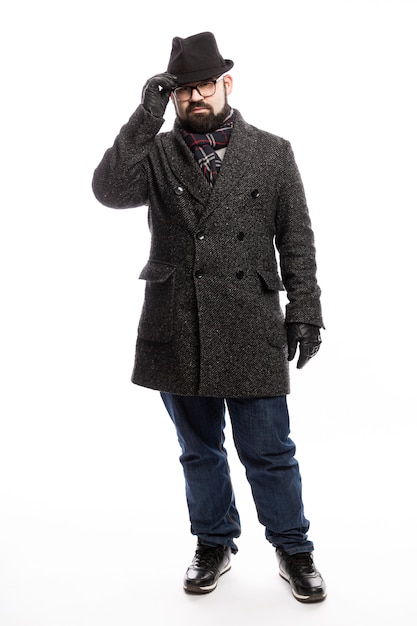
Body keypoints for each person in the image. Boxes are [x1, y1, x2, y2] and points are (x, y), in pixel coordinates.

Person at [92, 31, 326, 603]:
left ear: (226, 83)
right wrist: (143, 115)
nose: (194, 97)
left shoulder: (273, 151)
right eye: (180, 91)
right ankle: (214, 542)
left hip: (251, 320)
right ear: (171, 98)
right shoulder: (156, 152)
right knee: (199, 449)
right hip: (178, 321)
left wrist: (306, 310)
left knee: (270, 450)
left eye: (202, 85)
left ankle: (294, 549)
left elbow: (296, 238)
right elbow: (108, 189)